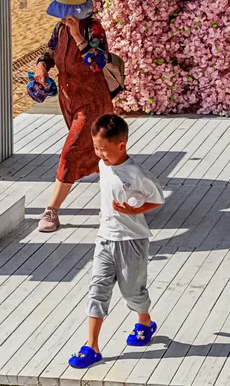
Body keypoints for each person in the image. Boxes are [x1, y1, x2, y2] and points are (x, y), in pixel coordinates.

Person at [68, 113, 164, 368]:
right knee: (97, 290)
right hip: (105, 237)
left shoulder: (136, 173)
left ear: (122, 144)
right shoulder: (103, 164)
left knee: (132, 291)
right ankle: (92, 346)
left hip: (132, 240)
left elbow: (158, 198)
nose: (99, 154)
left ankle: (144, 321)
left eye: (104, 149)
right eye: (96, 148)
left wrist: (134, 211)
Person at [34, 0, 113, 233]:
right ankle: (122, 197)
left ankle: (52, 210)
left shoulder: (94, 29)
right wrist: (41, 67)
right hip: (69, 99)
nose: (64, 17)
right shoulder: (59, 29)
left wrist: (78, 35)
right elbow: (49, 52)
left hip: (92, 100)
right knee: (97, 152)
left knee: (71, 151)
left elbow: (97, 62)